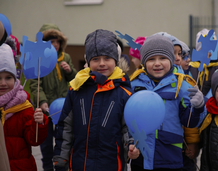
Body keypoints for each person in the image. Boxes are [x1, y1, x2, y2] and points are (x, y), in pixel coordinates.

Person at [53, 29, 139, 171]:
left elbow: (129, 128)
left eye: (107, 58)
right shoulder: (76, 88)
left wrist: (131, 145)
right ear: (88, 61)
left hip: (112, 164)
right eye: (95, 59)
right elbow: (65, 127)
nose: (101, 63)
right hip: (80, 164)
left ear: (115, 61)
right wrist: (61, 159)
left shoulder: (124, 93)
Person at [130, 34, 206, 171]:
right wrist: (129, 144)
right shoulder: (134, 84)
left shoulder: (181, 84)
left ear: (171, 60)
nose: (157, 63)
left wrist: (198, 107)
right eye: (151, 59)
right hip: (141, 156)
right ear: (144, 62)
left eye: (163, 58)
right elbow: (128, 118)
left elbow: (189, 122)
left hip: (169, 156)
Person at [28, 23, 77, 171]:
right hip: (46, 108)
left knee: (64, 141)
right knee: (47, 144)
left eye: (57, 41)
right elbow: (35, 84)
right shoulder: (38, 59)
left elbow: (75, 80)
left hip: (63, 107)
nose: (55, 45)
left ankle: (62, 167)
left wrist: (69, 71)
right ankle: (48, 168)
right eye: (51, 41)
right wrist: (42, 102)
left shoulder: (65, 57)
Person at [0, 43, 49, 171]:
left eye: (8, 77)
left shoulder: (23, 107)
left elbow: (34, 140)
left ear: (16, 79)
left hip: (19, 167)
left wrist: (38, 123)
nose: (3, 83)